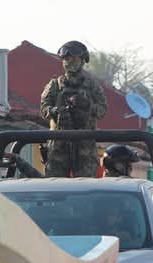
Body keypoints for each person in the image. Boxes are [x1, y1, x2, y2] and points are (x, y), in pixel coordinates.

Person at [40, 40, 108, 178]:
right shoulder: (55, 85)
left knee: (86, 186)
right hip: (58, 145)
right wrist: (55, 111)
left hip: (85, 145)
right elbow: (44, 109)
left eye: (73, 58)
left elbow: (103, 109)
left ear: (82, 60)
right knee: (54, 185)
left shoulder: (92, 86)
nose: (68, 62)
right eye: (66, 59)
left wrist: (87, 106)